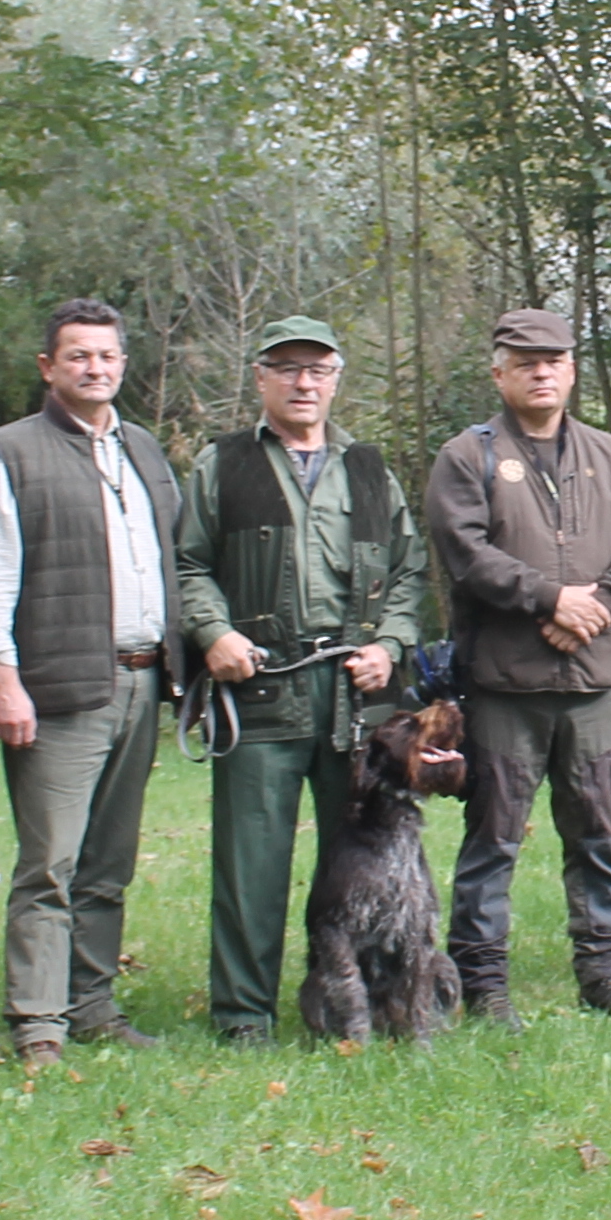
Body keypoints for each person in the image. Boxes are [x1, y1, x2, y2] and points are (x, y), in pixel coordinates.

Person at [176, 316, 427, 1046]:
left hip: (355, 699)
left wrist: (390, 643)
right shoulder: (222, 465)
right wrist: (213, 632)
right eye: (287, 368)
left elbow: (410, 572)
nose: (303, 381)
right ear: (262, 377)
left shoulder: (371, 470)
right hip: (260, 690)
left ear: (336, 377)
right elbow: (188, 565)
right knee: (250, 864)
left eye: (317, 369)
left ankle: (358, 1004)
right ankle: (243, 1017)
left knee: (366, 863)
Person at [0, 299, 185, 1058]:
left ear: (124, 364)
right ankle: (38, 1024)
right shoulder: (8, 454)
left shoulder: (144, 451)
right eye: (79, 356)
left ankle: (92, 1006)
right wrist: (1, 678)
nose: (96, 368)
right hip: (57, 687)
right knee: (50, 862)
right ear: (47, 367)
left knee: (109, 863)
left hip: (142, 680)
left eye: (108, 356)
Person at [425, 306, 611, 1017]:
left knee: (595, 833)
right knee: (493, 840)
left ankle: (602, 973)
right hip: (506, 686)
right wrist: (549, 599)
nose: (541, 372)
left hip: (594, 685)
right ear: (498, 371)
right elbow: (467, 555)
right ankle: (484, 984)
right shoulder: (465, 458)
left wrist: (598, 604)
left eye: (554, 360)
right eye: (525, 361)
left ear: (571, 372)